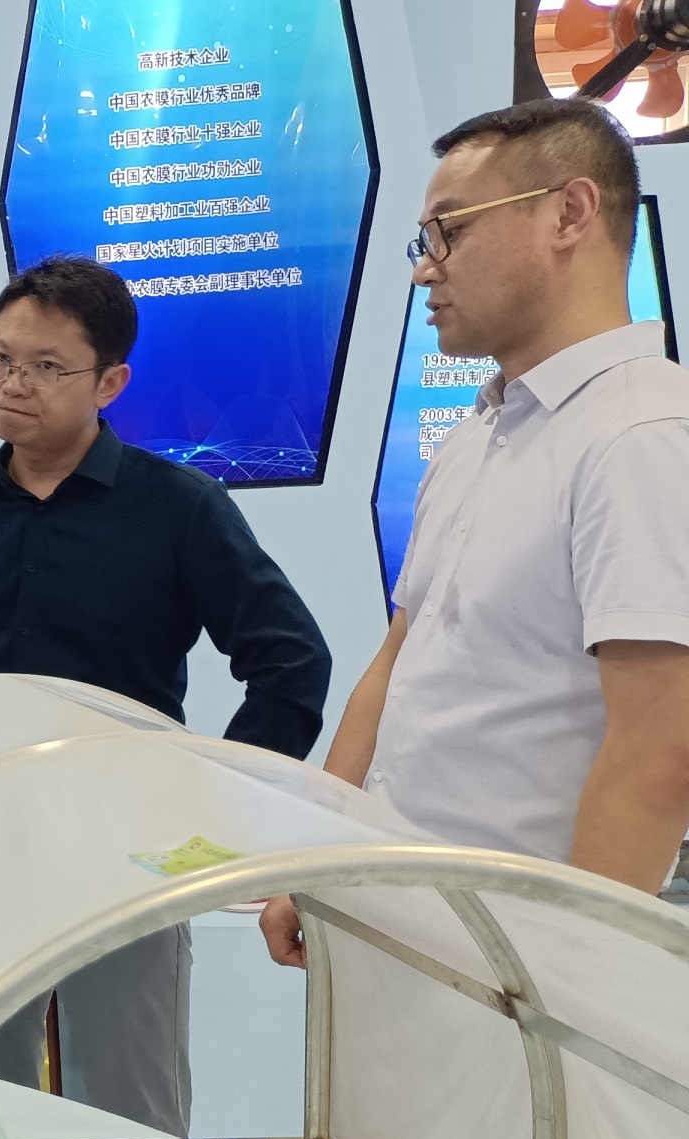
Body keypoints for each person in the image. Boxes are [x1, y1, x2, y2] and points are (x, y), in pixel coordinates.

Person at [0, 256, 331, 1137]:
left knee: (131, 1100)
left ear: (110, 382)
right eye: (1, 359)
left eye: (46, 367)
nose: (13, 384)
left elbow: (291, 661)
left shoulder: (179, 508)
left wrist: (212, 805)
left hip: (125, 846)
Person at [262, 99, 689, 969]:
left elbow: (662, 748)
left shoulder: (642, 435)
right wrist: (319, 855)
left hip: (519, 967)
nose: (426, 269)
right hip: (406, 933)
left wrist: (573, 983)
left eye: (449, 232)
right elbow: (399, 662)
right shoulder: (478, 434)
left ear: (570, 213)